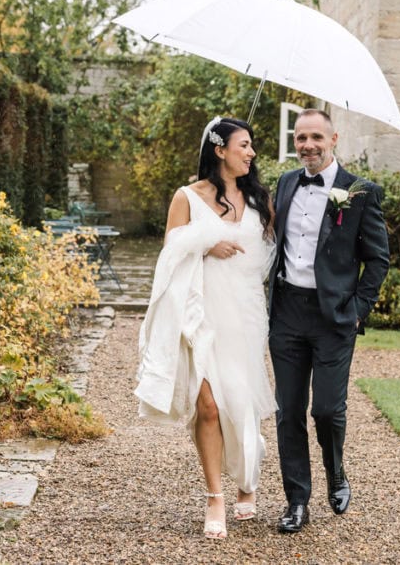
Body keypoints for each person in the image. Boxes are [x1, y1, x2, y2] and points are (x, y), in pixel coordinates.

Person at [136, 116, 276, 540]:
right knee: (209, 404)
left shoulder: (260, 200)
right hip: (198, 311)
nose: (251, 153)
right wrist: (205, 243)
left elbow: (268, 256)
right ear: (220, 150)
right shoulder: (187, 197)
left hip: (245, 311)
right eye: (244, 145)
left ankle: (246, 482)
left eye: (251, 146)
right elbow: (170, 254)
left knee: (243, 399)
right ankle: (215, 495)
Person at [267, 108, 390, 534]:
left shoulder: (359, 191)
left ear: (333, 139)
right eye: (301, 138)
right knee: (288, 412)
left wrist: (357, 311)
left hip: (334, 318)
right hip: (285, 314)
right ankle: (296, 501)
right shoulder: (285, 183)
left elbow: (378, 259)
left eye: (316, 137)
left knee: (326, 410)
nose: (308, 146)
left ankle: (335, 471)